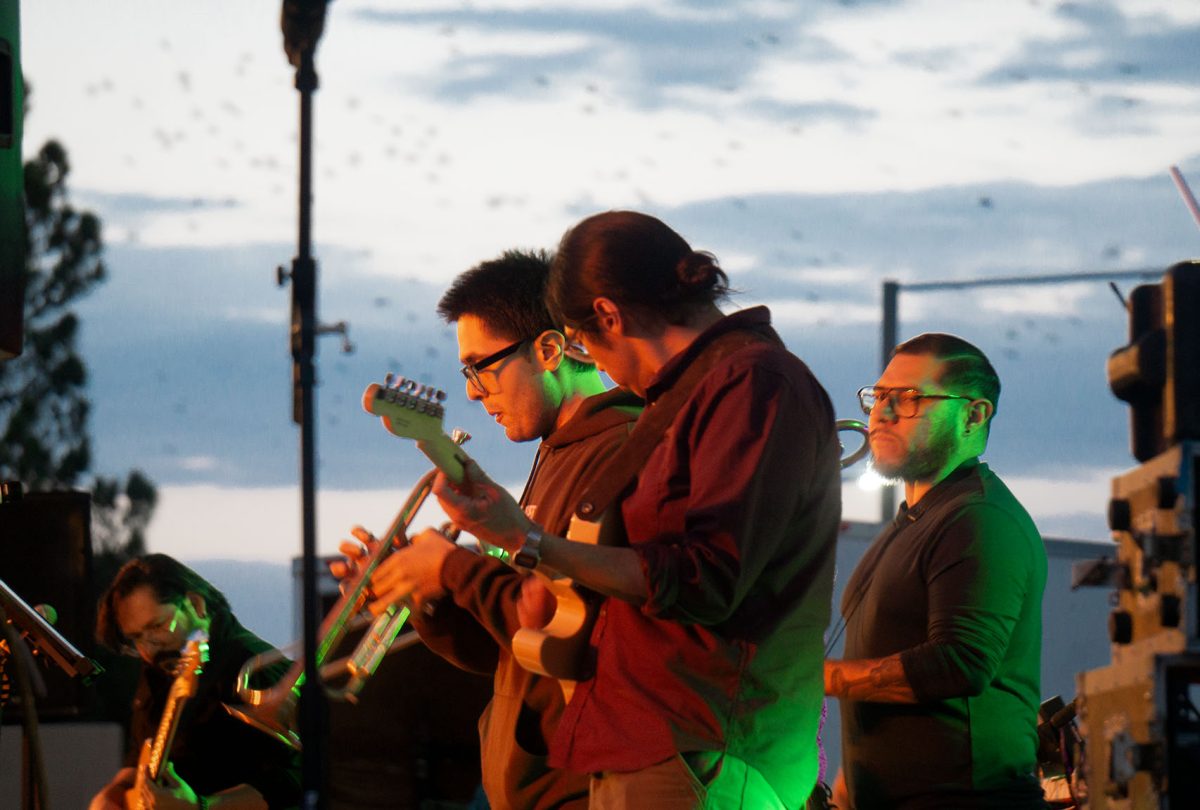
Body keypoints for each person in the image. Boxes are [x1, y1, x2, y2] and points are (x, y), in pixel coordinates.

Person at [416, 211, 842, 808]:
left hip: (704, 751)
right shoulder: (689, 394)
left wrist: (528, 542)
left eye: (585, 343)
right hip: (652, 745)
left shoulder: (754, 384)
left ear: (610, 316)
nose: (597, 366)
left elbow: (703, 577)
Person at [353, 249, 640, 809]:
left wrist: (454, 567)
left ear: (550, 348)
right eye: (466, 372)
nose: (472, 391)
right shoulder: (555, 456)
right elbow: (513, 650)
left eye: (481, 365)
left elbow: (575, 631)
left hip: (588, 787)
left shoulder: (618, 453)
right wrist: (429, 593)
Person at [824, 333, 1047, 809]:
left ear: (973, 414)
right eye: (878, 396)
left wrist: (816, 677)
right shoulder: (913, 522)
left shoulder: (980, 519)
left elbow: (959, 663)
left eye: (908, 398)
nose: (880, 413)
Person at [89, 554, 301, 810]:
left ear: (196, 605)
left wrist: (202, 807)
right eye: (136, 638)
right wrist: (112, 794)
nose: (149, 646)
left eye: (157, 625)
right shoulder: (159, 668)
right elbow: (139, 758)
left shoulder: (254, 668)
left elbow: (297, 780)